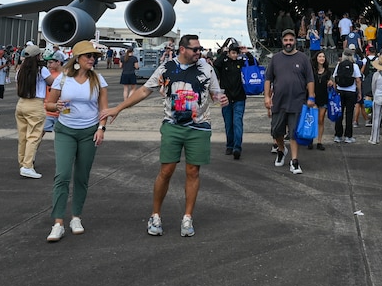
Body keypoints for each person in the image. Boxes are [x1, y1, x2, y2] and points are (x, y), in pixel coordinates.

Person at [101, 34, 226, 238]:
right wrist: (119, 108)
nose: (199, 53)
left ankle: (187, 217)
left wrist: (221, 97)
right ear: (182, 49)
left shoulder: (206, 69)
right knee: (166, 170)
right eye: (195, 49)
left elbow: (215, 94)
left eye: (200, 49)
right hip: (172, 126)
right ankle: (155, 214)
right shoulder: (166, 68)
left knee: (193, 171)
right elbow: (143, 91)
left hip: (199, 126)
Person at [44, 40, 108, 242]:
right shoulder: (62, 79)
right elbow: (49, 104)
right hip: (66, 131)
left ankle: (76, 217)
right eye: (88, 56)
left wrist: (101, 128)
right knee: (62, 175)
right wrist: (57, 105)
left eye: (94, 56)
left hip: (89, 131)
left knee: (82, 176)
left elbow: (103, 109)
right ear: (77, 58)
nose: (92, 59)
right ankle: (58, 222)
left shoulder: (98, 79)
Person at [264, 28, 316, 174]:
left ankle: (294, 161)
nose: (288, 43)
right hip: (279, 102)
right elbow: (268, 79)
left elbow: (310, 79)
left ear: (295, 41)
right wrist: (267, 97)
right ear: (282, 41)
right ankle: (281, 150)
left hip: (297, 101)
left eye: (291, 40)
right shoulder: (275, 58)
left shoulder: (303, 58)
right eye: (286, 40)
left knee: (294, 133)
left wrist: (311, 96)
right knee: (276, 131)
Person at [16, 44, 54, 179]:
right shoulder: (41, 69)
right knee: (33, 136)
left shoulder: (20, 70)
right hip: (35, 104)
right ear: (38, 56)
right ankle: (27, 166)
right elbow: (52, 82)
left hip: (21, 103)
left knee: (23, 136)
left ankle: (23, 163)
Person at [213, 42, 246, 159]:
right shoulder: (224, 62)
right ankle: (230, 145)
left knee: (237, 122)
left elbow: (252, 64)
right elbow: (215, 65)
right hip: (226, 97)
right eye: (232, 53)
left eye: (236, 53)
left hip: (239, 97)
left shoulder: (240, 62)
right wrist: (223, 53)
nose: (234, 55)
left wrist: (247, 53)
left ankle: (237, 147)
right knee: (228, 123)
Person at [332, 49, 361, 144]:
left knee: (339, 114)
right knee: (349, 114)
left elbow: (334, 78)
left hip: (340, 91)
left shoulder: (339, 65)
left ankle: (338, 135)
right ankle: (348, 136)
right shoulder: (355, 66)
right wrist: (359, 92)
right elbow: (358, 80)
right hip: (351, 91)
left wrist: (335, 89)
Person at [310, 50, 332, 150]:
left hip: (324, 97)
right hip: (313, 97)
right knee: (312, 119)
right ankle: (310, 139)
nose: (322, 58)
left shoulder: (328, 71)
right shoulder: (311, 70)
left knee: (321, 119)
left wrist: (331, 82)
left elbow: (331, 82)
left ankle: (319, 141)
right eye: (320, 56)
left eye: (323, 56)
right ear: (316, 58)